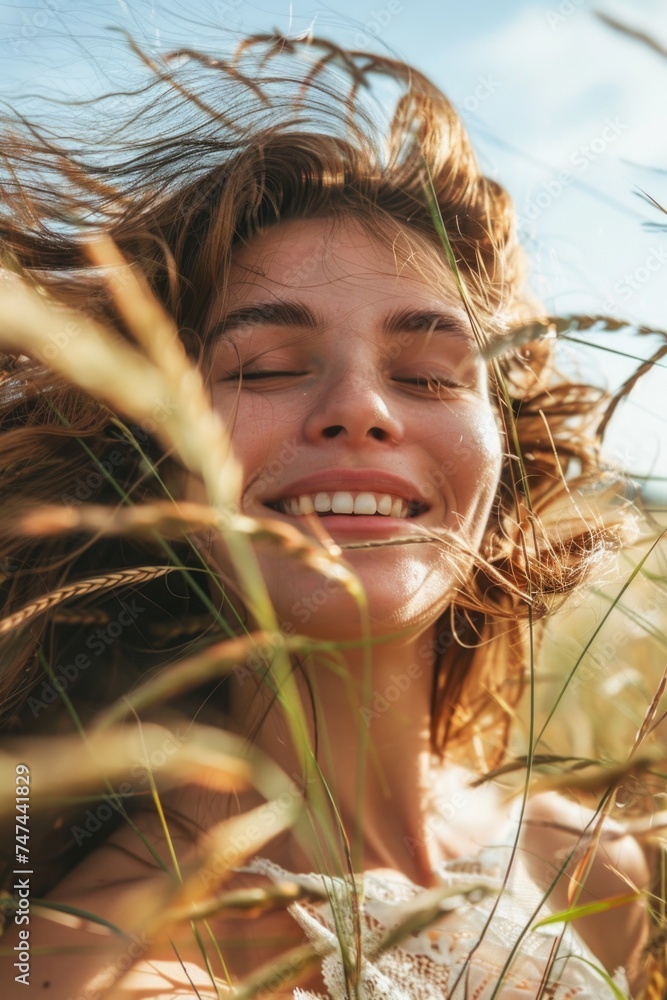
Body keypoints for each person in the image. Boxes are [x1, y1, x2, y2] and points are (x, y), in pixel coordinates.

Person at [0, 31, 656, 999]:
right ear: (165, 472)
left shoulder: (592, 869)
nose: (363, 408)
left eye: (428, 373)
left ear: (501, 460)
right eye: (264, 367)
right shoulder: (97, 964)